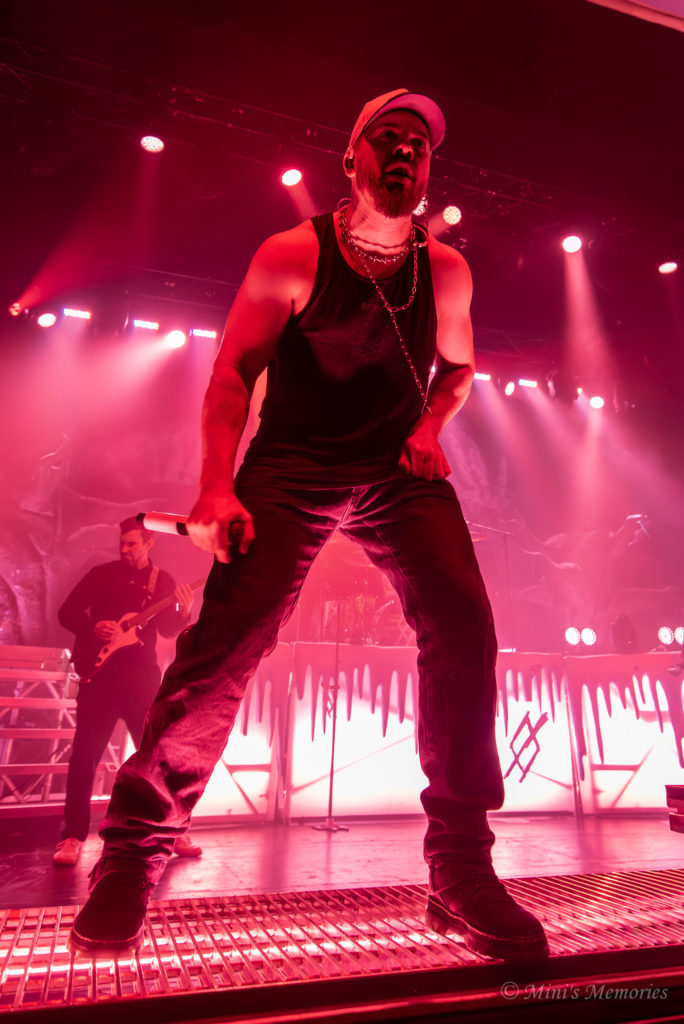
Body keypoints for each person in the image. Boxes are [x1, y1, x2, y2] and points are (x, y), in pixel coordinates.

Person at [70, 89, 548, 961]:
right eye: (388, 138)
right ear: (351, 158)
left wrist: (428, 430)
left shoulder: (446, 270)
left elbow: (458, 369)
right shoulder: (293, 254)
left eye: (420, 146)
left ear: (429, 171)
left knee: (464, 620)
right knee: (229, 638)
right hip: (293, 464)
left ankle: (461, 870)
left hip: (396, 469)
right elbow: (231, 374)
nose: (405, 152)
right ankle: (133, 856)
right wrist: (216, 488)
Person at [53, 518, 203, 866]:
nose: (124, 549)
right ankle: (72, 837)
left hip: (140, 681)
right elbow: (66, 613)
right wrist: (93, 625)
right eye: (122, 543)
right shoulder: (101, 575)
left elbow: (168, 629)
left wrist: (184, 609)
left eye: (132, 544)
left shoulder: (162, 581)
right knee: (84, 756)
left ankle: (173, 832)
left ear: (149, 544)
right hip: (100, 679)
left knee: (156, 760)